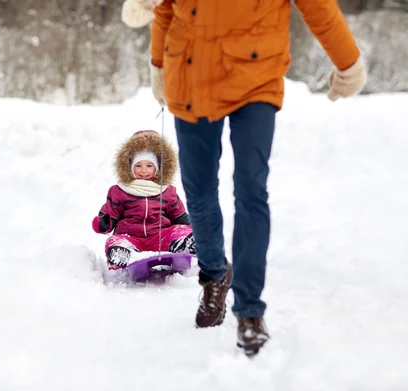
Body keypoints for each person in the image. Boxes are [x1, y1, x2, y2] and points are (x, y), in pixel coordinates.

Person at [122, 0, 367, 356]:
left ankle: (250, 311)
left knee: (251, 190)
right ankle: (214, 274)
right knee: (200, 191)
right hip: (191, 75)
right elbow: (165, 8)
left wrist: (348, 62)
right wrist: (159, 65)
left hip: (255, 76)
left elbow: (318, 5)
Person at [92, 130, 195, 269]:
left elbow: (179, 216)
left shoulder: (166, 190)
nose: (143, 171)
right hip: (130, 237)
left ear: (158, 168)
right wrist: (103, 223)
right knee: (116, 240)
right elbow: (111, 214)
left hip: (159, 237)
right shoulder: (120, 191)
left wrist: (192, 228)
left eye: (149, 166)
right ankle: (122, 254)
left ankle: (182, 245)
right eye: (138, 165)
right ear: (130, 167)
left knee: (179, 231)